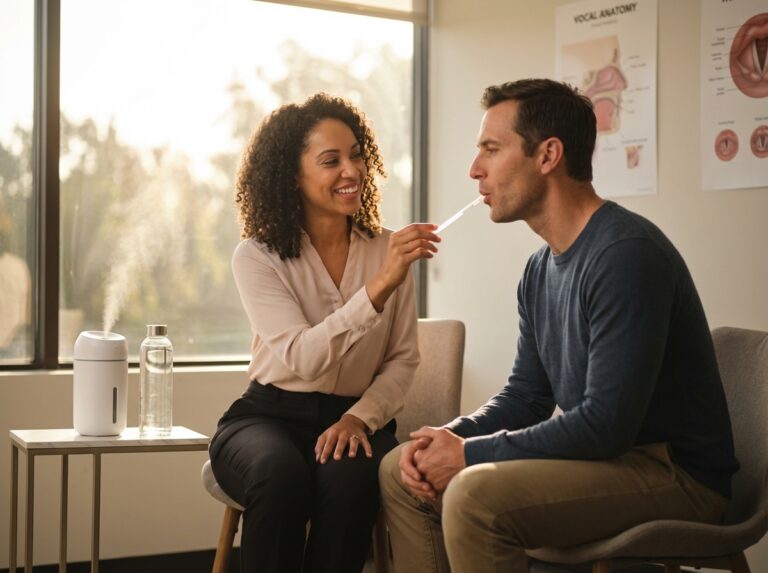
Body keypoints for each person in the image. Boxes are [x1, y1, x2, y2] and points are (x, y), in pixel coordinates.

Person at [379, 78, 739, 573]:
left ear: (548, 155)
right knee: (398, 470)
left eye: (490, 148)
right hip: (606, 462)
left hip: (674, 474)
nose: (474, 169)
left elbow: (606, 426)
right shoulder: (538, 269)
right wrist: (446, 437)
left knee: (473, 496)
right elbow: (527, 398)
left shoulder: (625, 255)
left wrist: (468, 454)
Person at [209, 93, 439, 573]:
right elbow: (304, 358)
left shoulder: (386, 249)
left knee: (352, 478)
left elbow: (402, 360)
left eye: (357, 154)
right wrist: (378, 288)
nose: (351, 170)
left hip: (354, 419)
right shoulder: (257, 257)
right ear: (293, 175)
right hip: (267, 417)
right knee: (279, 474)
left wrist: (360, 418)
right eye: (331, 160)